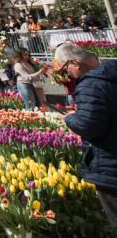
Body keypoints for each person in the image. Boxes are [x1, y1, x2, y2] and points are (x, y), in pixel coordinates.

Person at [54, 43, 117, 229]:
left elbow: (90, 126)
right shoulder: (111, 73)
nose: (65, 75)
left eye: (65, 69)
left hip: (110, 165)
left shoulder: (90, 83)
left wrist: (71, 119)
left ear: (75, 63)